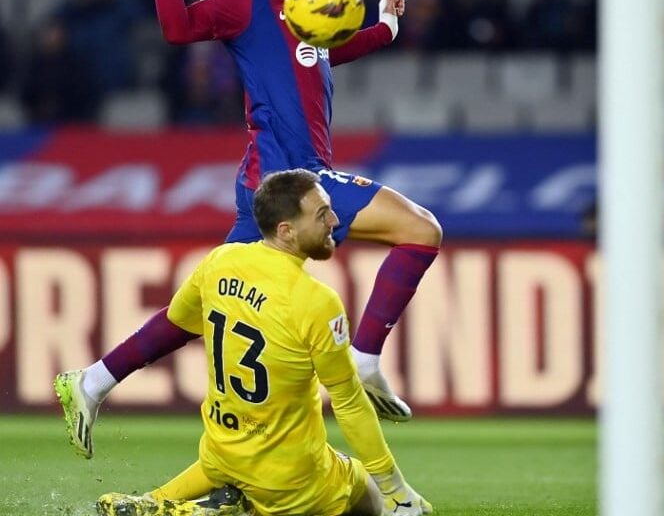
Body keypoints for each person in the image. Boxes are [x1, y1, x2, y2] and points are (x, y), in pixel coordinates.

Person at [56, 0, 442, 460]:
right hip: (287, 180)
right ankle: (362, 360)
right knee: (421, 230)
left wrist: (385, 28)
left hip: (272, 183)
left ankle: (93, 382)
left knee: (205, 302)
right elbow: (177, 28)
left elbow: (328, 51)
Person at [94, 169, 432, 516]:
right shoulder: (316, 301)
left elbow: (176, 323)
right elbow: (348, 404)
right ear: (286, 231)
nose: (335, 220)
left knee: (230, 467)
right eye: (321, 215)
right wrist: (396, 490)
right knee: (376, 497)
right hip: (292, 478)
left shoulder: (218, 262)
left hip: (223, 453)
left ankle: (158, 502)